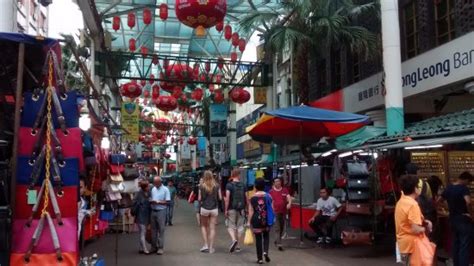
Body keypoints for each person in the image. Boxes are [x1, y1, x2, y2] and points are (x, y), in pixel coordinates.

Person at [395, 175, 433, 264]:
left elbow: (405, 222)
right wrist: (427, 228)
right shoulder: (413, 205)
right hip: (413, 246)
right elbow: (415, 229)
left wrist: (424, 222)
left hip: (404, 244)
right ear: (415, 189)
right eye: (418, 186)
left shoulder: (401, 201)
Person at [440, 171, 473, 266]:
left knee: (455, 242)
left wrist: (448, 207)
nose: (468, 184)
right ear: (466, 179)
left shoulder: (449, 188)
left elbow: (439, 200)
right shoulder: (463, 188)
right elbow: (468, 202)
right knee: (464, 245)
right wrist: (471, 214)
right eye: (469, 182)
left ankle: (456, 263)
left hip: (452, 218)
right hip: (463, 219)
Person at [248, 179, 272, 264]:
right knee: (266, 236)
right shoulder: (269, 196)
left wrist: (248, 222)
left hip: (256, 219)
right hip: (266, 219)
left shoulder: (252, 197)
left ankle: (260, 259)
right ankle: (265, 251)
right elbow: (271, 209)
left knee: (258, 239)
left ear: (255, 186)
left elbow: (251, 211)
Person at [198, 171, 222, 253]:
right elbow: (220, 197)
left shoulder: (201, 186)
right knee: (212, 228)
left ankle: (206, 245)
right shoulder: (217, 185)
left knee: (204, 226)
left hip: (204, 208)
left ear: (204, 177)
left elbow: (199, 198)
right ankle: (211, 248)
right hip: (214, 209)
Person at [225, 168, 246, 253]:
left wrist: (226, 210)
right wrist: (247, 208)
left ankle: (234, 240)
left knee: (231, 226)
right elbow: (246, 198)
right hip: (241, 209)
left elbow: (227, 198)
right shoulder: (243, 185)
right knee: (240, 227)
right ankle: (238, 246)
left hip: (231, 208)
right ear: (238, 175)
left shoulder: (229, 185)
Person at [269, 176, 292, 251]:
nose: (278, 182)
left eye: (279, 181)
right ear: (273, 183)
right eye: (276, 181)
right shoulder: (271, 192)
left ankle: (277, 240)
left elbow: (289, 197)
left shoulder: (285, 190)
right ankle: (279, 244)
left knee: (282, 227)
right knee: (277, 228)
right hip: (275, 212)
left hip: (283, 211)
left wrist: (289, 203)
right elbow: (271, 202)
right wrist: (272, 211)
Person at [150, 176, 170, 255]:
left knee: (161, 230)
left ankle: (161, 247)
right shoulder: (153, 189)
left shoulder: (165, 189)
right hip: (153, 211)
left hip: (161, 211)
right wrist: (151, 201)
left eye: (156, 183)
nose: (155, 184)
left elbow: (168, 202)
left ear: (160, 182)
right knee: (153, 230)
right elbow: (151, 198)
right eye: (154, 183)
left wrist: (158, 202)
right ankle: (153, 246)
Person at [133, 180, 151, 255]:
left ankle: (141, 248)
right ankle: (144, 249)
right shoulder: (139, 194)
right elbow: (134, 203)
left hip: (147, 214)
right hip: (140, 214)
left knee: (143, 232)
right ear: (145, 187)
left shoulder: (148, 193)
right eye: (148, 186)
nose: (149, 187)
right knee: (143, 232)